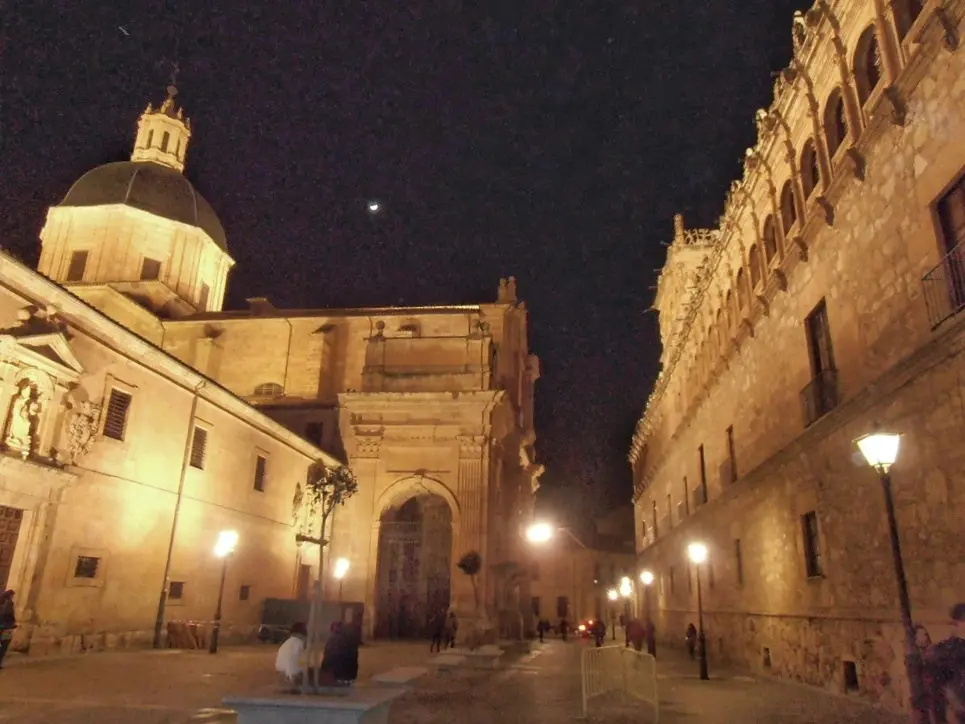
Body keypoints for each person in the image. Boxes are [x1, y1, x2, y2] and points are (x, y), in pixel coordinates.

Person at [925, 603, 965, 722]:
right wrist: (956, 705)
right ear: (956, 623)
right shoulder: (942, 651)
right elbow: (939, 688)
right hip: (955, 711)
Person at [274, 622, 307, 691]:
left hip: (281, 673)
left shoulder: (287, 643)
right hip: (290, 675)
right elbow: (291, 661)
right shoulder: (298, 643)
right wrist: (292, 678)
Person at [0, 590, 16, 670]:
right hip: (7, 627)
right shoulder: (9, 604)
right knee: (4, 645)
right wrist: (13, 623)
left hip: (2, 627)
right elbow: (8, 615)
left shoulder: (1, 602)